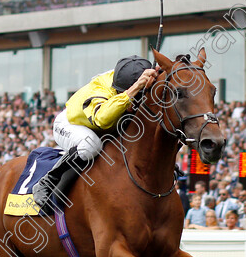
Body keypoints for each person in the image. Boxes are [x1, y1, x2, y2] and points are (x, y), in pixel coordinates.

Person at [31, 55, 158, 207]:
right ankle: (47, 182)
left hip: (104, 126)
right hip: (72, 123)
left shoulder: (130, 76)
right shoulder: (99, 89)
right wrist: (135, 88)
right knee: (91, 146)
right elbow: (103, 119)